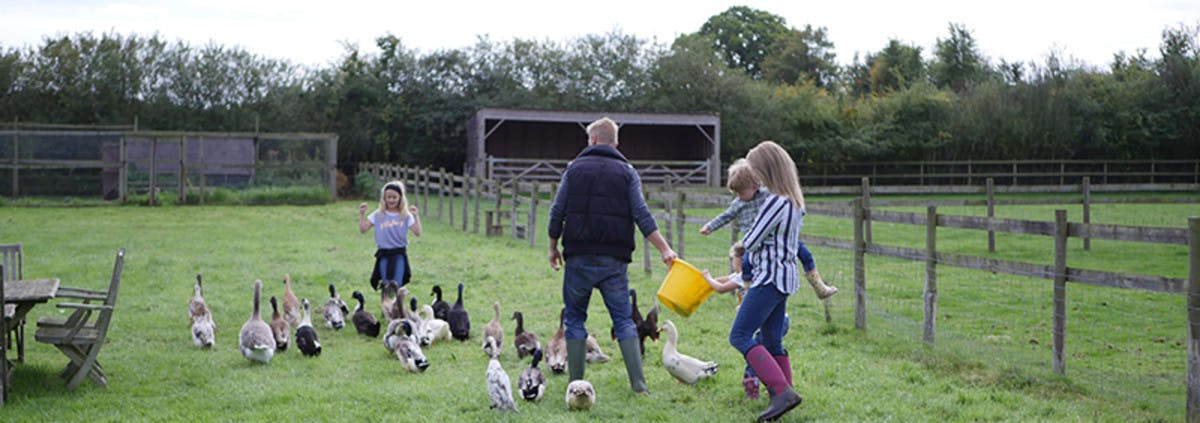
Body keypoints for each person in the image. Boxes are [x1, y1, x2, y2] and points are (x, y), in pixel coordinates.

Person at [547, 117, 677, 394]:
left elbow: (557, 211)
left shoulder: (573, 170)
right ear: (615, 142)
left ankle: (575, 384)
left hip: (578, 258)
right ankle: (639, 385)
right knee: (623, 320)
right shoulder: (627, 172)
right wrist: (664, 249)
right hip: (614, 261)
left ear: (593, 139)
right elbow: (641, 214)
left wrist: (552, 247)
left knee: (574, 319)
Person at [729, 141, 805, 421]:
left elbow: (751, 239)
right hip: (785, 277)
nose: (756, 177)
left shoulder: (775, 202)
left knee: (739, 335)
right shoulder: (794, 201)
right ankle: (786, 394)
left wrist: (739, 250)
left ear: (767, 169)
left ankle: (779, 390)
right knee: (772, 339)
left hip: (768, 278)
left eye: (756, 170)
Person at [700, 159, 837, 300]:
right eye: (736, 193)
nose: (739, 196)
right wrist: (710, 226)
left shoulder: (768, 195)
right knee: (746, 266)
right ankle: (747, 297)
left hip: (776, 240)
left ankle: (819, 286)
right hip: (752, 242)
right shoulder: (738, 204)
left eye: (742, 192)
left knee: (804, 252)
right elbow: (725, 216)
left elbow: (787, 201)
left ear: (755, 186)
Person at [701, 243, 791, 401]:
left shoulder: (745, 275)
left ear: (740, 259)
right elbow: (722, 280)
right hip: (782, 319)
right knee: (772, 348)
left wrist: (707, 277)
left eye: (732, 259)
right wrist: (703, 281)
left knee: (752, 352)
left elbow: (721, 288)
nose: (731, 263)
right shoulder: (745, 274)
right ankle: (785, 388)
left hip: (768, 321)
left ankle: (754, 392)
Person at [359, 180, 422, 291]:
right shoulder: (378, 214)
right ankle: (386, 307)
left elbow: (417, 232)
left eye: (394, 197)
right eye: (388, 197)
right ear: (384, 198)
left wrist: (416, 216)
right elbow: (363, 229)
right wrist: (362, 214)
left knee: (397, 284)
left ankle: (398, 307)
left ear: (400, 198)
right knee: (386, 284)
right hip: (384, 253)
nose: (391, 200)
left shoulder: (405, 215)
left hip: (399, 253)